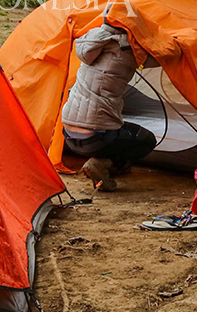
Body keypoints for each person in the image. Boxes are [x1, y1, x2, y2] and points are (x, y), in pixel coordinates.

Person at [61, 21, 156, 191]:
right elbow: (161, 57)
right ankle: (102, 163)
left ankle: (111, 167)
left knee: (120, 129)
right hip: (95, 137)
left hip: (68, 134)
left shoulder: (92, 40)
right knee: (146, 140)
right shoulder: (127, 49)